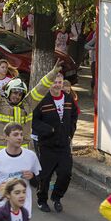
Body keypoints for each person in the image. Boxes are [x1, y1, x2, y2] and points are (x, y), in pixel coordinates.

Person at [0, 60, 62, 154]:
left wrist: (53, 73)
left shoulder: (28, 104)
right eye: (15, 93)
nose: (17, 96)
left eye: (20, 94)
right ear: (8, 91)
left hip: (21, 154)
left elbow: (41, 88)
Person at [32, 73, 78, 213]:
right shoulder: (42, 100)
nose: (57, 85)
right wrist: (48, 130)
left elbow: (74, 115)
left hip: (63, 144)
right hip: (47, 145)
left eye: (60, 82)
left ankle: (56, 197)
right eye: (55, 82)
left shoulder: (69, 99)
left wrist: (70, 132)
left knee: (65, 173)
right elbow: (33, 121)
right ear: (50, 84)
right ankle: (42, 200)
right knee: (45, 176)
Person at [0, 123, 41, 215]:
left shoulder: (31, 156)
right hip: (1, 212)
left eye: (21, 134)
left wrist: (32, 178)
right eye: (15, 134)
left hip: (23, 212)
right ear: (6, 137)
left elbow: (39, 184)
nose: (20, 138)